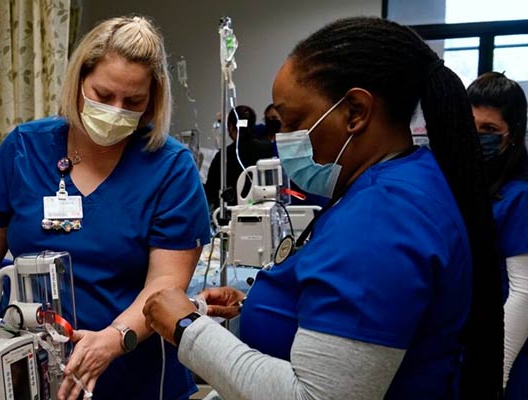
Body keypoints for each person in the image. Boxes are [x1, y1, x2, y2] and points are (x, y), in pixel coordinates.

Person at [142, 16, 503, 399]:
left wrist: (185, 328)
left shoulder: (383, 216)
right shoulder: (395, 182)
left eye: (292, 121)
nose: (281, 140)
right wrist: (270, 304)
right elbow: (368, 319)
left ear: (355, 112)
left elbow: (316, 396)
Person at [0, 16, 211, 400]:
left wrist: (115, 338)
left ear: (152, 99)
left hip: (135, 375)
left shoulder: (170, 168)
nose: (117, 110)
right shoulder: (24, 148)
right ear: (79, 83)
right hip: (32, 369)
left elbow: (165, 285)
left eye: (133, 101)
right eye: (103, 95)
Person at [468, 71, 528, 397]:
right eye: (470, 126)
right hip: (472, 342)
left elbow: (525, 292)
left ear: (513, 136)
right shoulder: (477, 188)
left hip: (504, 353)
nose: (477, 137)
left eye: (489, 130)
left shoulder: (519, 196)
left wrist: (495, 373)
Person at [204, 105, 277, 210]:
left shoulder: (224, 155)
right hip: (264, 211)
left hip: (232, 215)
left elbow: (210, 192)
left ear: (230, 126)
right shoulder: (268, 149)